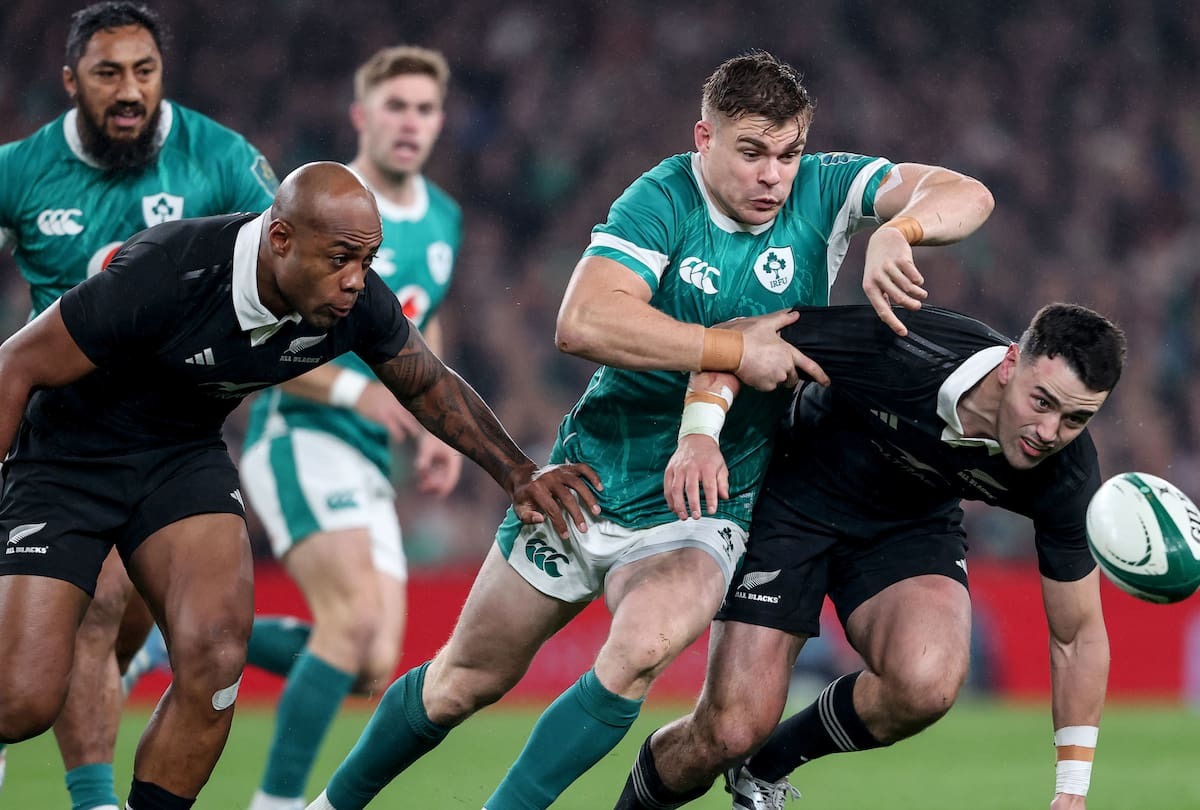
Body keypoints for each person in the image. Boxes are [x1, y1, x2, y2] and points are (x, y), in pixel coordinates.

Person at [308, 49, 994, 810]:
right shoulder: (662, 199)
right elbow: (582, 321)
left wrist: (903, 230)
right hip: (592, 476)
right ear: (705, 139)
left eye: (789, 153)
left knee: (639, 651)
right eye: (752, 152)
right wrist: (733, 350)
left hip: (706, 500)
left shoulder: (825, 189)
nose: (773, 175)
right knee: (461, 682)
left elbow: (965, 192)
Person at [0, 162, 600, 810]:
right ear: (280, 239)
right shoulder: (171, 269)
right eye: (341, 259)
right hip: (67, 459)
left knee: (217, 656)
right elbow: (16, 363)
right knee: (22, 701)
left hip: (180, 456)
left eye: (367, 261)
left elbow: (427, 382)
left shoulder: (353, 301)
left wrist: (517, 471)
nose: (355, 281)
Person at [614, 302, 1127, 810]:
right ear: (1011, 363)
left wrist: (1071, 790)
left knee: (927, 683)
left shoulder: (1068, 474)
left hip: (909, 524)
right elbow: (737, 336)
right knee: (729, 731)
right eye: (1042, 402)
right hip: (793, 496)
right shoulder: (906, 345)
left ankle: (765, 768)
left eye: (1075, 419)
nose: (1049, 433)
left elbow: (1077, 636)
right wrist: (700, 435)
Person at [0, 3, 277, 807]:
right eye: (108, 73)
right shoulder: (21, 170)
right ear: (70, 81)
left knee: (140, 631)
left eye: (144, 72)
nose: (129, 90)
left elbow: (290, 259)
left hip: (177, 437)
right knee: (98, 607)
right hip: (68, 437)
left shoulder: (221, 160)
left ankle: (134, 662)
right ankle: (94, 798)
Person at [233, 46, 463, 810]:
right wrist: (352, 392)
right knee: (352, 618)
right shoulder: (316, 208)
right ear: (363, 116)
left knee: (371, 663)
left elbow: (422, 326)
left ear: (440, 121)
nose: (410, 122)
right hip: (297, 429)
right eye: (396, 106)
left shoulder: (444, 218)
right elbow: (253, 338)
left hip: (368, 454)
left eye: (424, 109)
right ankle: (275, 804)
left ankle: (190, 631)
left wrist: (438, 428)